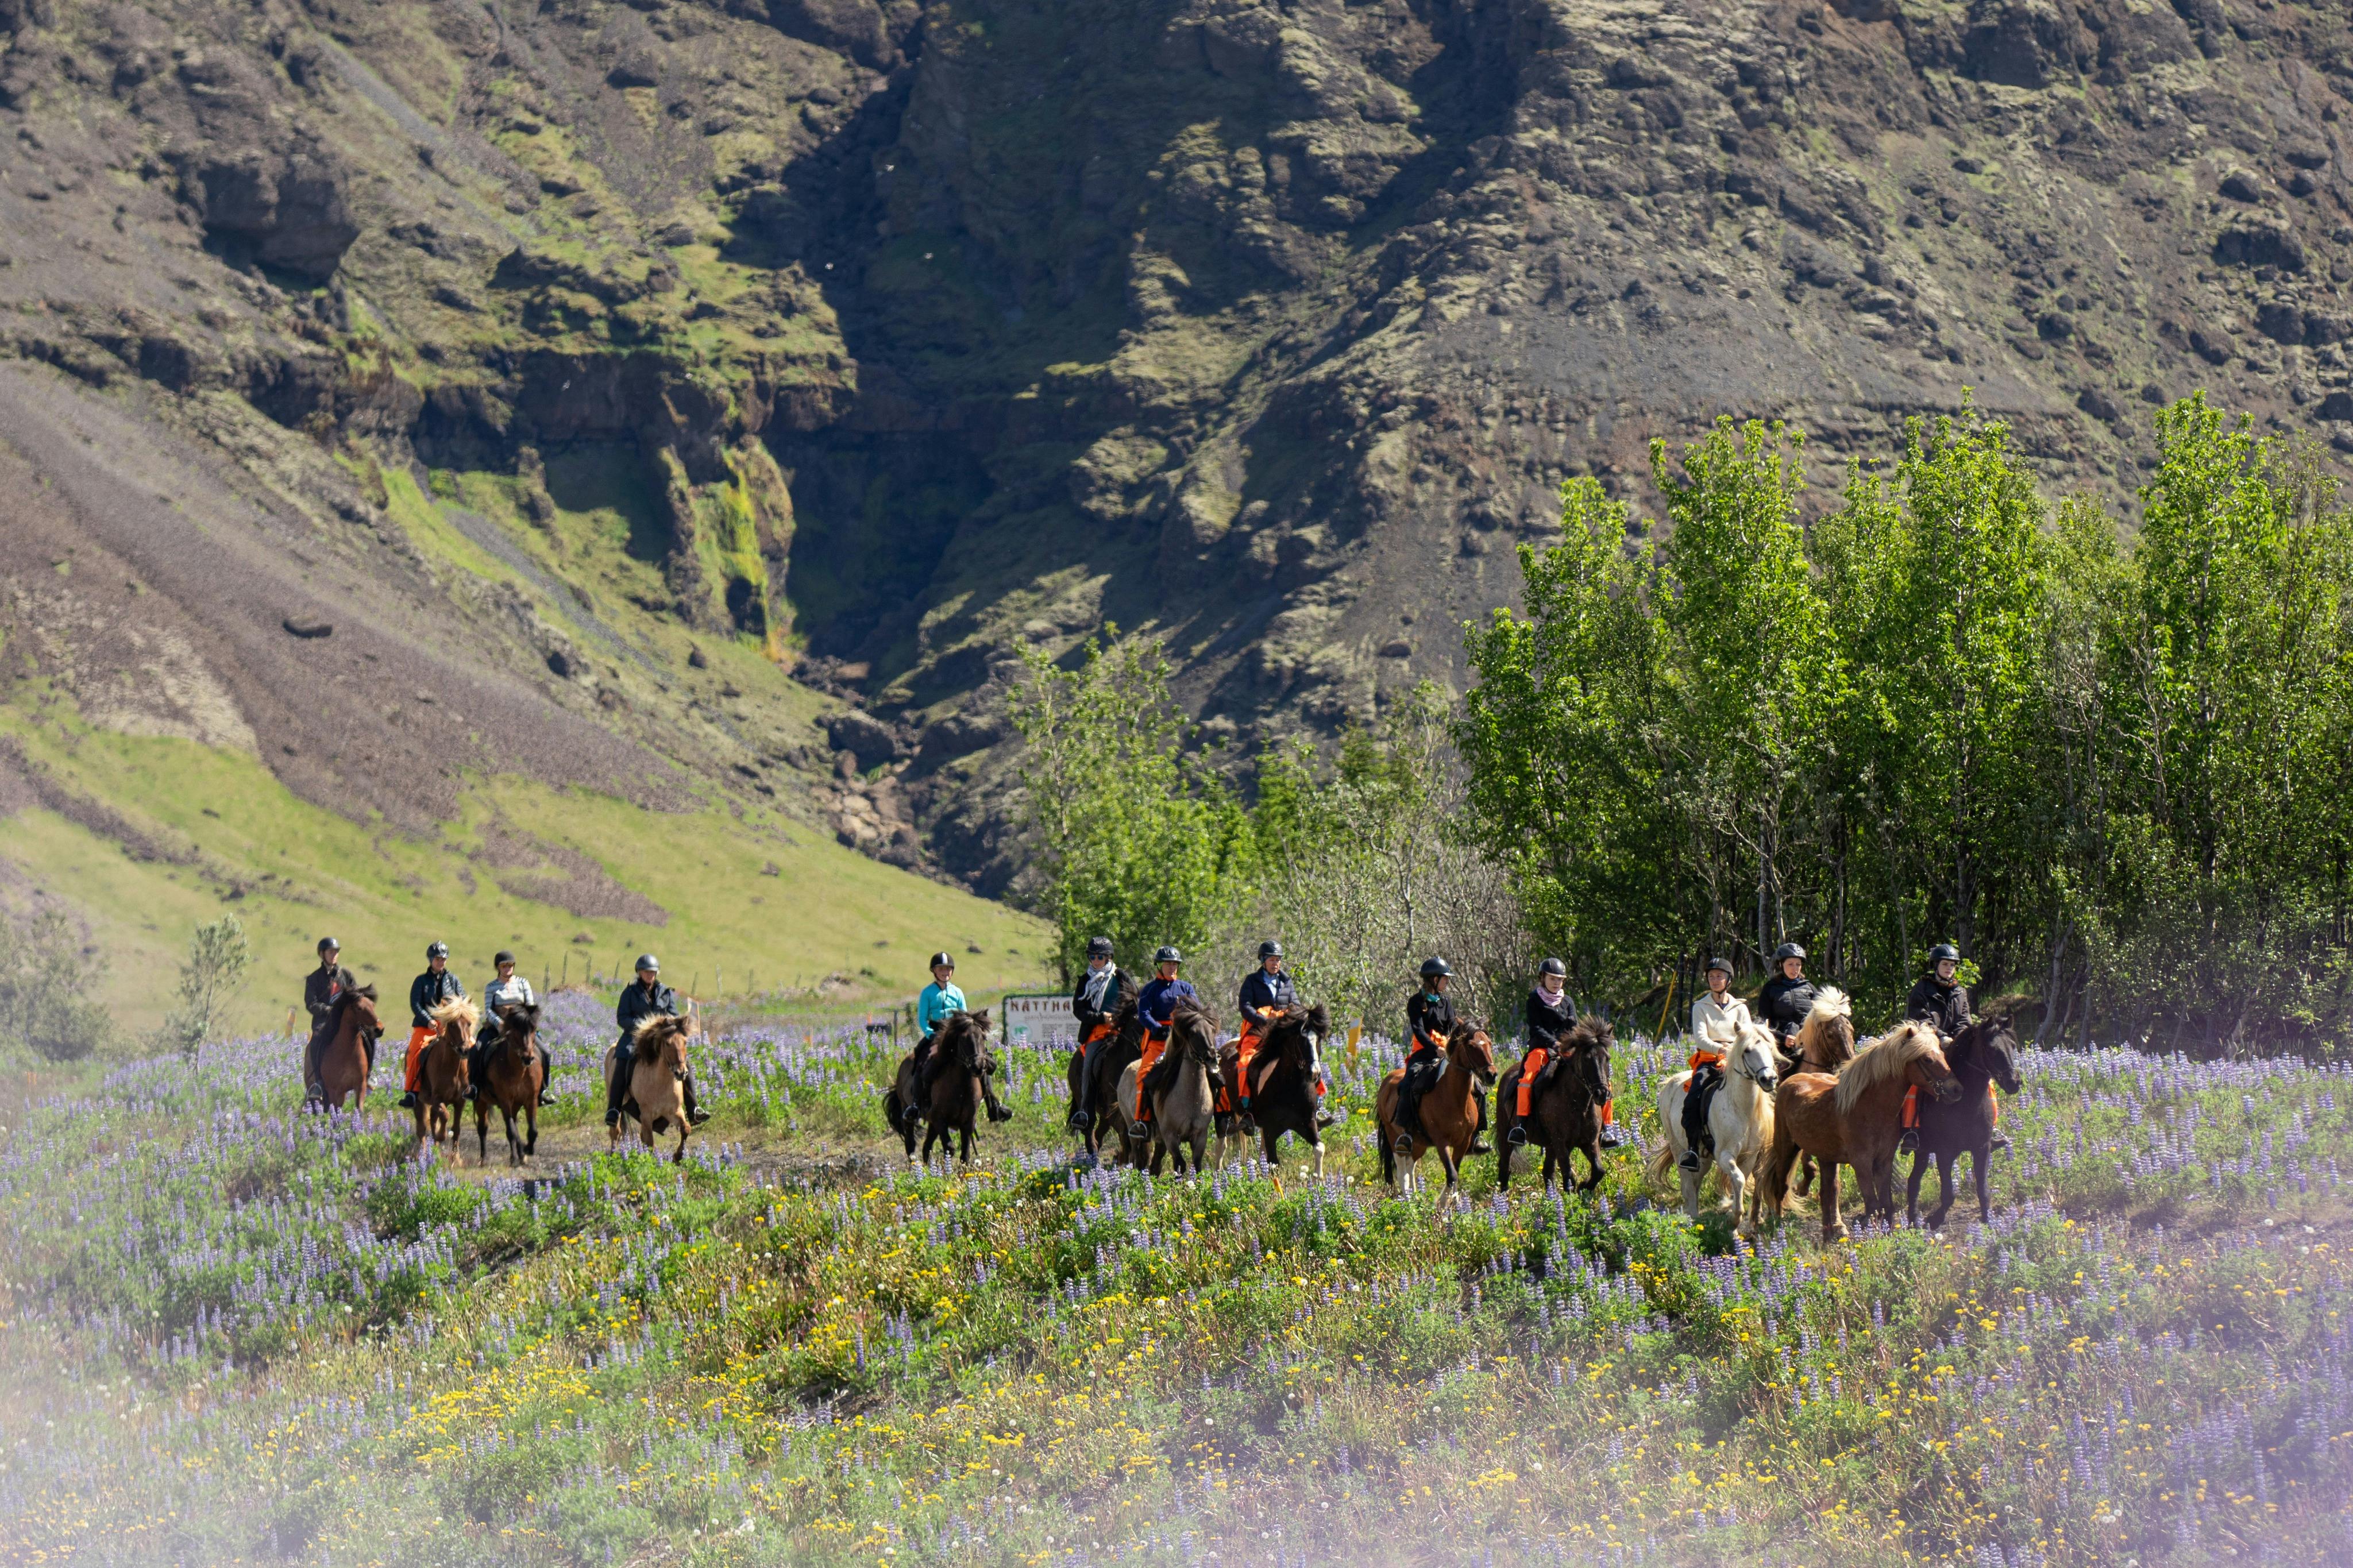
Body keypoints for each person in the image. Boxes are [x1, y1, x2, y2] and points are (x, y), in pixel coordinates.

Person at [1899, 943, 2003, 1153]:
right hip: (1928, 1042)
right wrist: (1941, 1036)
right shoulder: (1921, 989)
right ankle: (1912, 1130)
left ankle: (1993, 1128)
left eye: (1952, 965)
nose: (1949, 968)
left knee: (1985, 1077)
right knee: (1915, 1082)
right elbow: (1921, 1019)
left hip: (1955, 1043)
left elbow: (1964, 1020)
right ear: (1936, 965)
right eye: (1945, 964)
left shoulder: (1960, 992)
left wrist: (1959, 1039)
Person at [605, 955, 709, 1128]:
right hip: (635, 1038)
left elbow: (673, 1015)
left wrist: (670, 1024)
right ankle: (614, 1109)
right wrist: (644, 1027)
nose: (650, 975)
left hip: (662, 1039)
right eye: (647, 972)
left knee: (684, 1063)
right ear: (639, 973)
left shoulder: (665, 992)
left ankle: (694, 1109)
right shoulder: (629, 993)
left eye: (653, 972)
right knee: (622, 1061)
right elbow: (622, 1018)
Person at [1397, 957, 1485, 1153]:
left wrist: (1456, 1045)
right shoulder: (1416, 1002)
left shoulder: (1446, 1002)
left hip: (1447, 1051)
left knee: (1479, 1086)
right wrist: (1434, 1049)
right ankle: (1407, 1133)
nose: (1447, 982)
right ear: (1434, 979)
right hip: (1423, 1052)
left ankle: (1477, 1134)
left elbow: (1453, 1027)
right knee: (1408, 1084)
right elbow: (1419, 1031)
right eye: (1445, 978)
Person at [1679, 957, 1745, 1172]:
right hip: (1710, 1060)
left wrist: (1734, 1050)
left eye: (1720, 976)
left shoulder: (1740, 1008)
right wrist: (1721, 1049)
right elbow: (1700, 1038)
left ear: (1729, 979)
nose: (1715, 980)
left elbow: (1748, 1035)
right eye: (1711, 977)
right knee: (1693, 1099)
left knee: (1764, 1090)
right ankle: (1692, 1149)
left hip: (1737, 1059)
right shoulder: (1701, 1006)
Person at [471, 951, 554, 1107]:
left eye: (510, 965)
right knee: (477, 1048)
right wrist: (500, 1024)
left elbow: (529, 1007)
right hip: (498, 1027)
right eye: (504, 966)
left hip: (521, 1029)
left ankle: (544, 1090)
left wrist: (525, 1024)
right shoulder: (491, 987)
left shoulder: (523, 983)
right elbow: (489, 1010)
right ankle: (474, 1087)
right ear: (498, 968)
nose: (508, 969)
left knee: (545, 1052)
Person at [1130, 947, 1197, 1138]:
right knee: (1144, 1073)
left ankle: (1221, 1114)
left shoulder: (1186, 988)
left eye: (1175, 964)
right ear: (1159, 966)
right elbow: (1143, 1014)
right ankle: (1141, 1120)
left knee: (1211, 1068)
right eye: (1168, 964)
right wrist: (1157, 1028)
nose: (1172, 967)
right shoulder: (1150, 989)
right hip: (1159, 1041)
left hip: (1183, 1040)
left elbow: (1195, 1011)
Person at [1066, 936, 1131, 1131]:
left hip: (1122, 1031)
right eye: (1092, 957)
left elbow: (1134, 1001)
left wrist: (1119, 1018)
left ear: (1109, 957)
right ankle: (1085, 1111)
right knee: (1087, 1068)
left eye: (1100, 957)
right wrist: (1101, 1017)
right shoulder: (1085, 981)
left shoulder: (1121, 977)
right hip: (1097, 1033)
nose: (1095, 961)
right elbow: (1079, 1010)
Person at [1232, 940, 1296, 1131]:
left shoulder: (1287, 982)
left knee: (1308, 1056)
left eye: (1278, 960)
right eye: (1271, 960)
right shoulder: (1251, 981)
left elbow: (1296, 1005)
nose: (1275, 963)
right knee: (1245, 1062)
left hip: (1282, 1032)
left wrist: (1288, 1018)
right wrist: (1263, 1020)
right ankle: (1248, 1111)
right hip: (1258, 1031)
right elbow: (1245, 1007)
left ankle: (1314, 1106)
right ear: (1263, 960)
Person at [1509, 957, 1572, 1147]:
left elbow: (1573, 1025)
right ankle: (1520, 1126)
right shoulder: (1534, 1000)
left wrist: (1569, 1043)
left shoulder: (1568, 1001)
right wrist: (1554, 1043)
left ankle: (1605, 1129)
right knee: (1527, 1079)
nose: (1556, 983)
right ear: (1543, 978)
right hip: (1541, 1048)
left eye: (1560, 980)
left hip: (1566, 1049)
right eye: (1552, 979)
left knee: (1594, 1073)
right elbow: (1536, 1028)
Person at [400, 941, 466, 1110]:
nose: (441, 962)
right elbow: (416, 1005)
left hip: (450, 1026)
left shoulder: (454, 980)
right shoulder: (421, 981)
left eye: (444, 959)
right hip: (426, 1027)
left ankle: (472, 1086)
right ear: (431, 960)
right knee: (415, 1052)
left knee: (470, 1045)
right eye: (438, 959)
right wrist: (428, 1020)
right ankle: (412, 1092)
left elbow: (463, 1001)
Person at [905, 952, 969, 1120]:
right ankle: (916, 1104)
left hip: (954, 1033)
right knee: (920, 1062)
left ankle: (993, 1103)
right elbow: (922, 1018)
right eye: (941, 969)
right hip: (935, 1033)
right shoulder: (927, 993)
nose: (945, 972)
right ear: (934, 971)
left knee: (980, 1057)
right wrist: (929, 1033)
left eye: (948, 969)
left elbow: (964, 1015)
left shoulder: (958, 992)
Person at [302, 937, 358, 1095]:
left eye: (336, 952)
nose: (334, 954)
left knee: (366, 1035)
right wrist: (330, 1011)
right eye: (331, 952)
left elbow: (356, 996)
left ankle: (367, 1075)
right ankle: (318, 1083)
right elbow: (311, 1004)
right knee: (317, 1040)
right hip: (323, 1022)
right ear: (322, 954)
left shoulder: (346, 975)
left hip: (345, 1021)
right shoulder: (314, 979)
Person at [1756, 942, 1818, 1048]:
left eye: (1798, 964)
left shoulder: (1810, 988)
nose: (1795, 968)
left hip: (1810, 1042)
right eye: (1790, 964)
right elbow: (1764, 1023)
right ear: (1781, 964)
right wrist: (1782, 1038)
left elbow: (1821, 1018)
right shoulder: (1770, 988)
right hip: (1782, 1045)